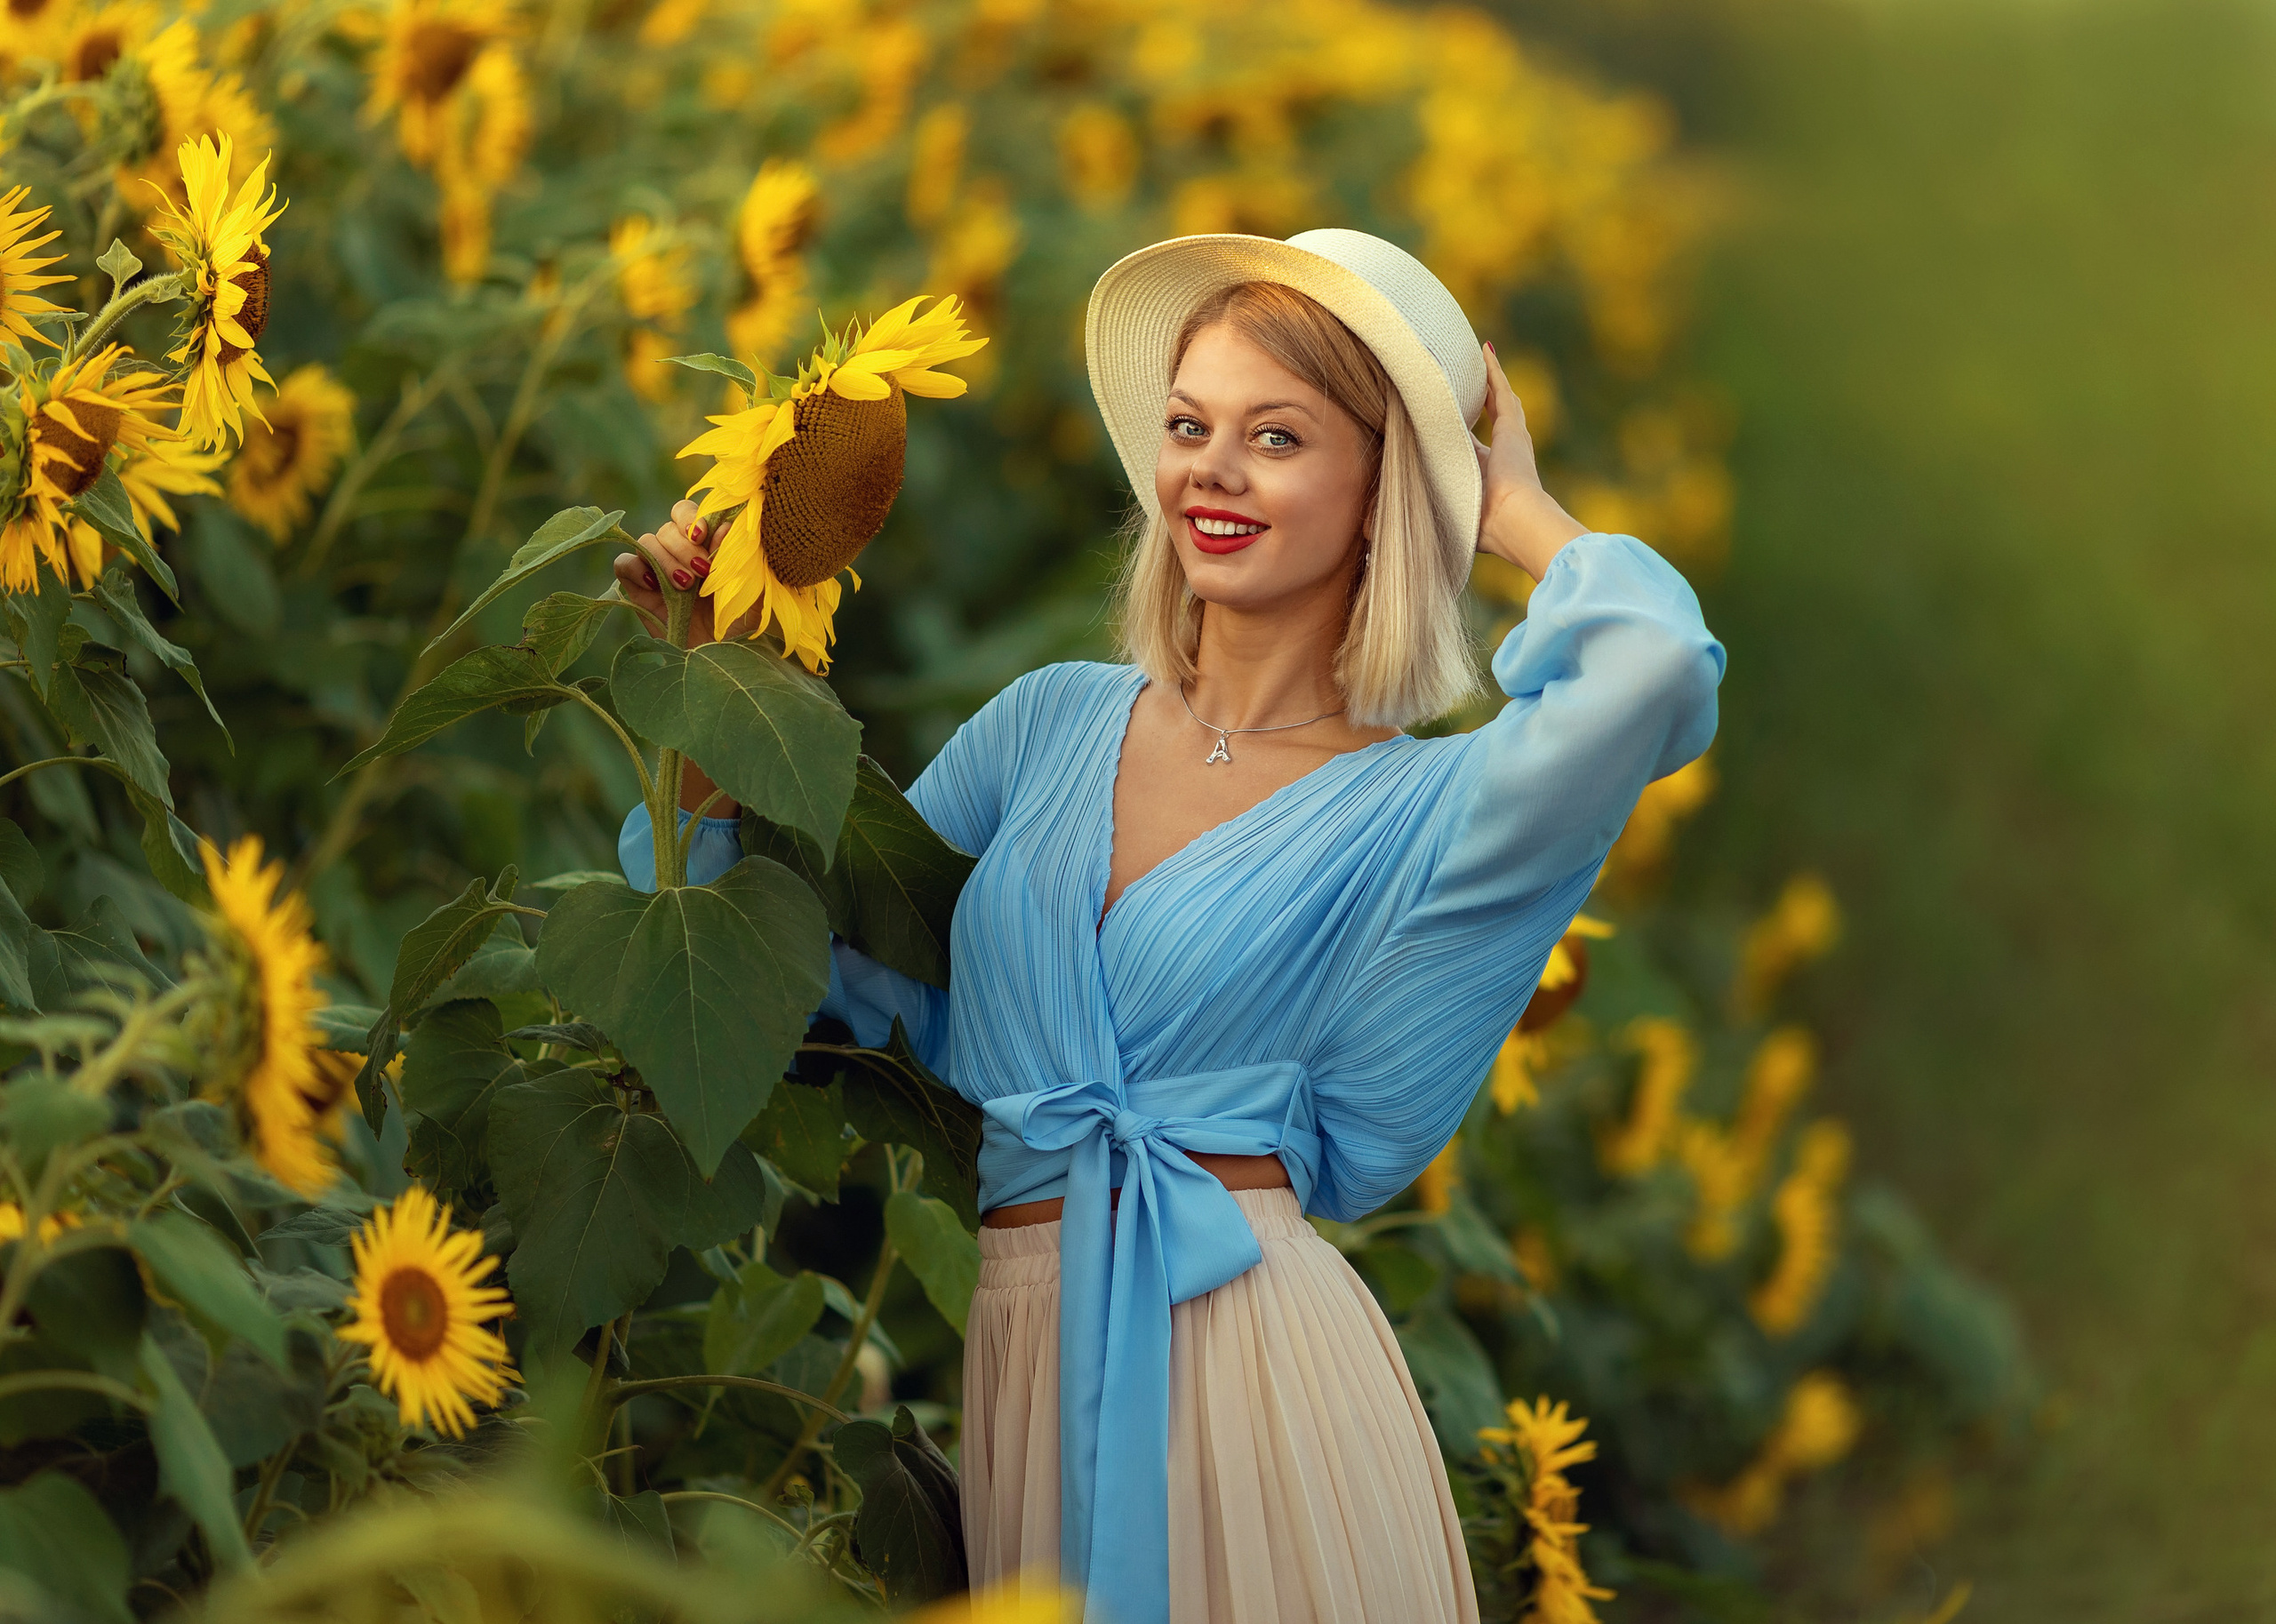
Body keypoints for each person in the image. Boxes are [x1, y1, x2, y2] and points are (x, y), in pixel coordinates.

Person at [615, 228, 1725, 1624]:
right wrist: (709, 694)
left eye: (1277, 436)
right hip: (1027, 1374)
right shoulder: (1048, 724)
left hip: (1258, 1379)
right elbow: (820, 977)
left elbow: (1657, 667)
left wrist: (1506, 507)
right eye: (1190, 426)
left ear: (1383, 493)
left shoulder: (1428, 810)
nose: (1213, 466)